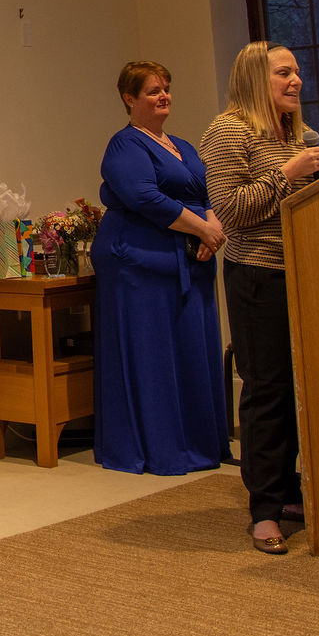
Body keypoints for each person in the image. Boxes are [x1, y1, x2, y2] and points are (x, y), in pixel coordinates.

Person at [202, 41, 319, 555]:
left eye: (297, 71)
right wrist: (288, 174)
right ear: (256, 78)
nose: (296, 80)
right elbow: (231, 211)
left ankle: (294, 489)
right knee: (269, 391)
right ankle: (265, 511)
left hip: (308, 273)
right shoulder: (229, 131)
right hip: (258, 275)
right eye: (283, 72)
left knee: (305, 389)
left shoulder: (300, 134)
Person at [93, 61, 229, 476]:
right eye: (153, 91)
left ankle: (197, 441)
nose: (164, 96)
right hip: (139, 263)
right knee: (153, 353)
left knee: (191, 349)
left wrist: (211, 231)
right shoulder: (125, 145)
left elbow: (205, 193)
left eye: (166, 88)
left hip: (189, 259)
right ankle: (158, 447)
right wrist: (202, 229)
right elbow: (145, 198)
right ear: (129, 98)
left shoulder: (182, 145)